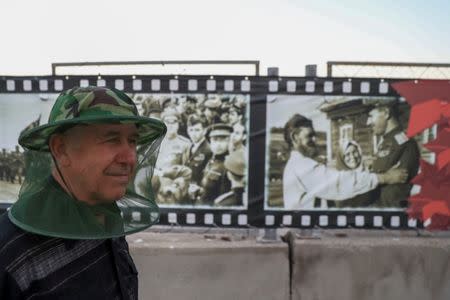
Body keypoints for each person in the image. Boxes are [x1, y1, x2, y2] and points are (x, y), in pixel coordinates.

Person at [0, 86, 166, 299]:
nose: (130, 158)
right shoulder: (10, 253)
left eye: (132, 141)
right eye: (112, 139)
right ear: (60, 148)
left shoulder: (106, 216)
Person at [282, 114, 408, 209]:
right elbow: (339, 182)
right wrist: (385, 178)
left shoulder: (299, 164)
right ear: (295, 137)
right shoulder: (300, 165)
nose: (315, 140)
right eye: (309, 136)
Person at [365, 102, 420, 207]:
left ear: (386, 113)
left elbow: (381, 171)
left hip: (391, 209)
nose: (368, 122)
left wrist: (375, 171)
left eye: (371, 116)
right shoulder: (388, 140)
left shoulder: (401, 140)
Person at [201, 123, 233, 205]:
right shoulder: (211, 160)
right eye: (215, 139)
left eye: (223, 139)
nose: (218, 144)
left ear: (229, 141)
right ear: (210, 142)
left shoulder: (230, 165)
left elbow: (224, 199)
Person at [185, 114, 212, 185]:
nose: (193, 134)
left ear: (204, 131)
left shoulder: (208, 150)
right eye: (191, 130)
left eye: (197, 130)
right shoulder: (189, 146)